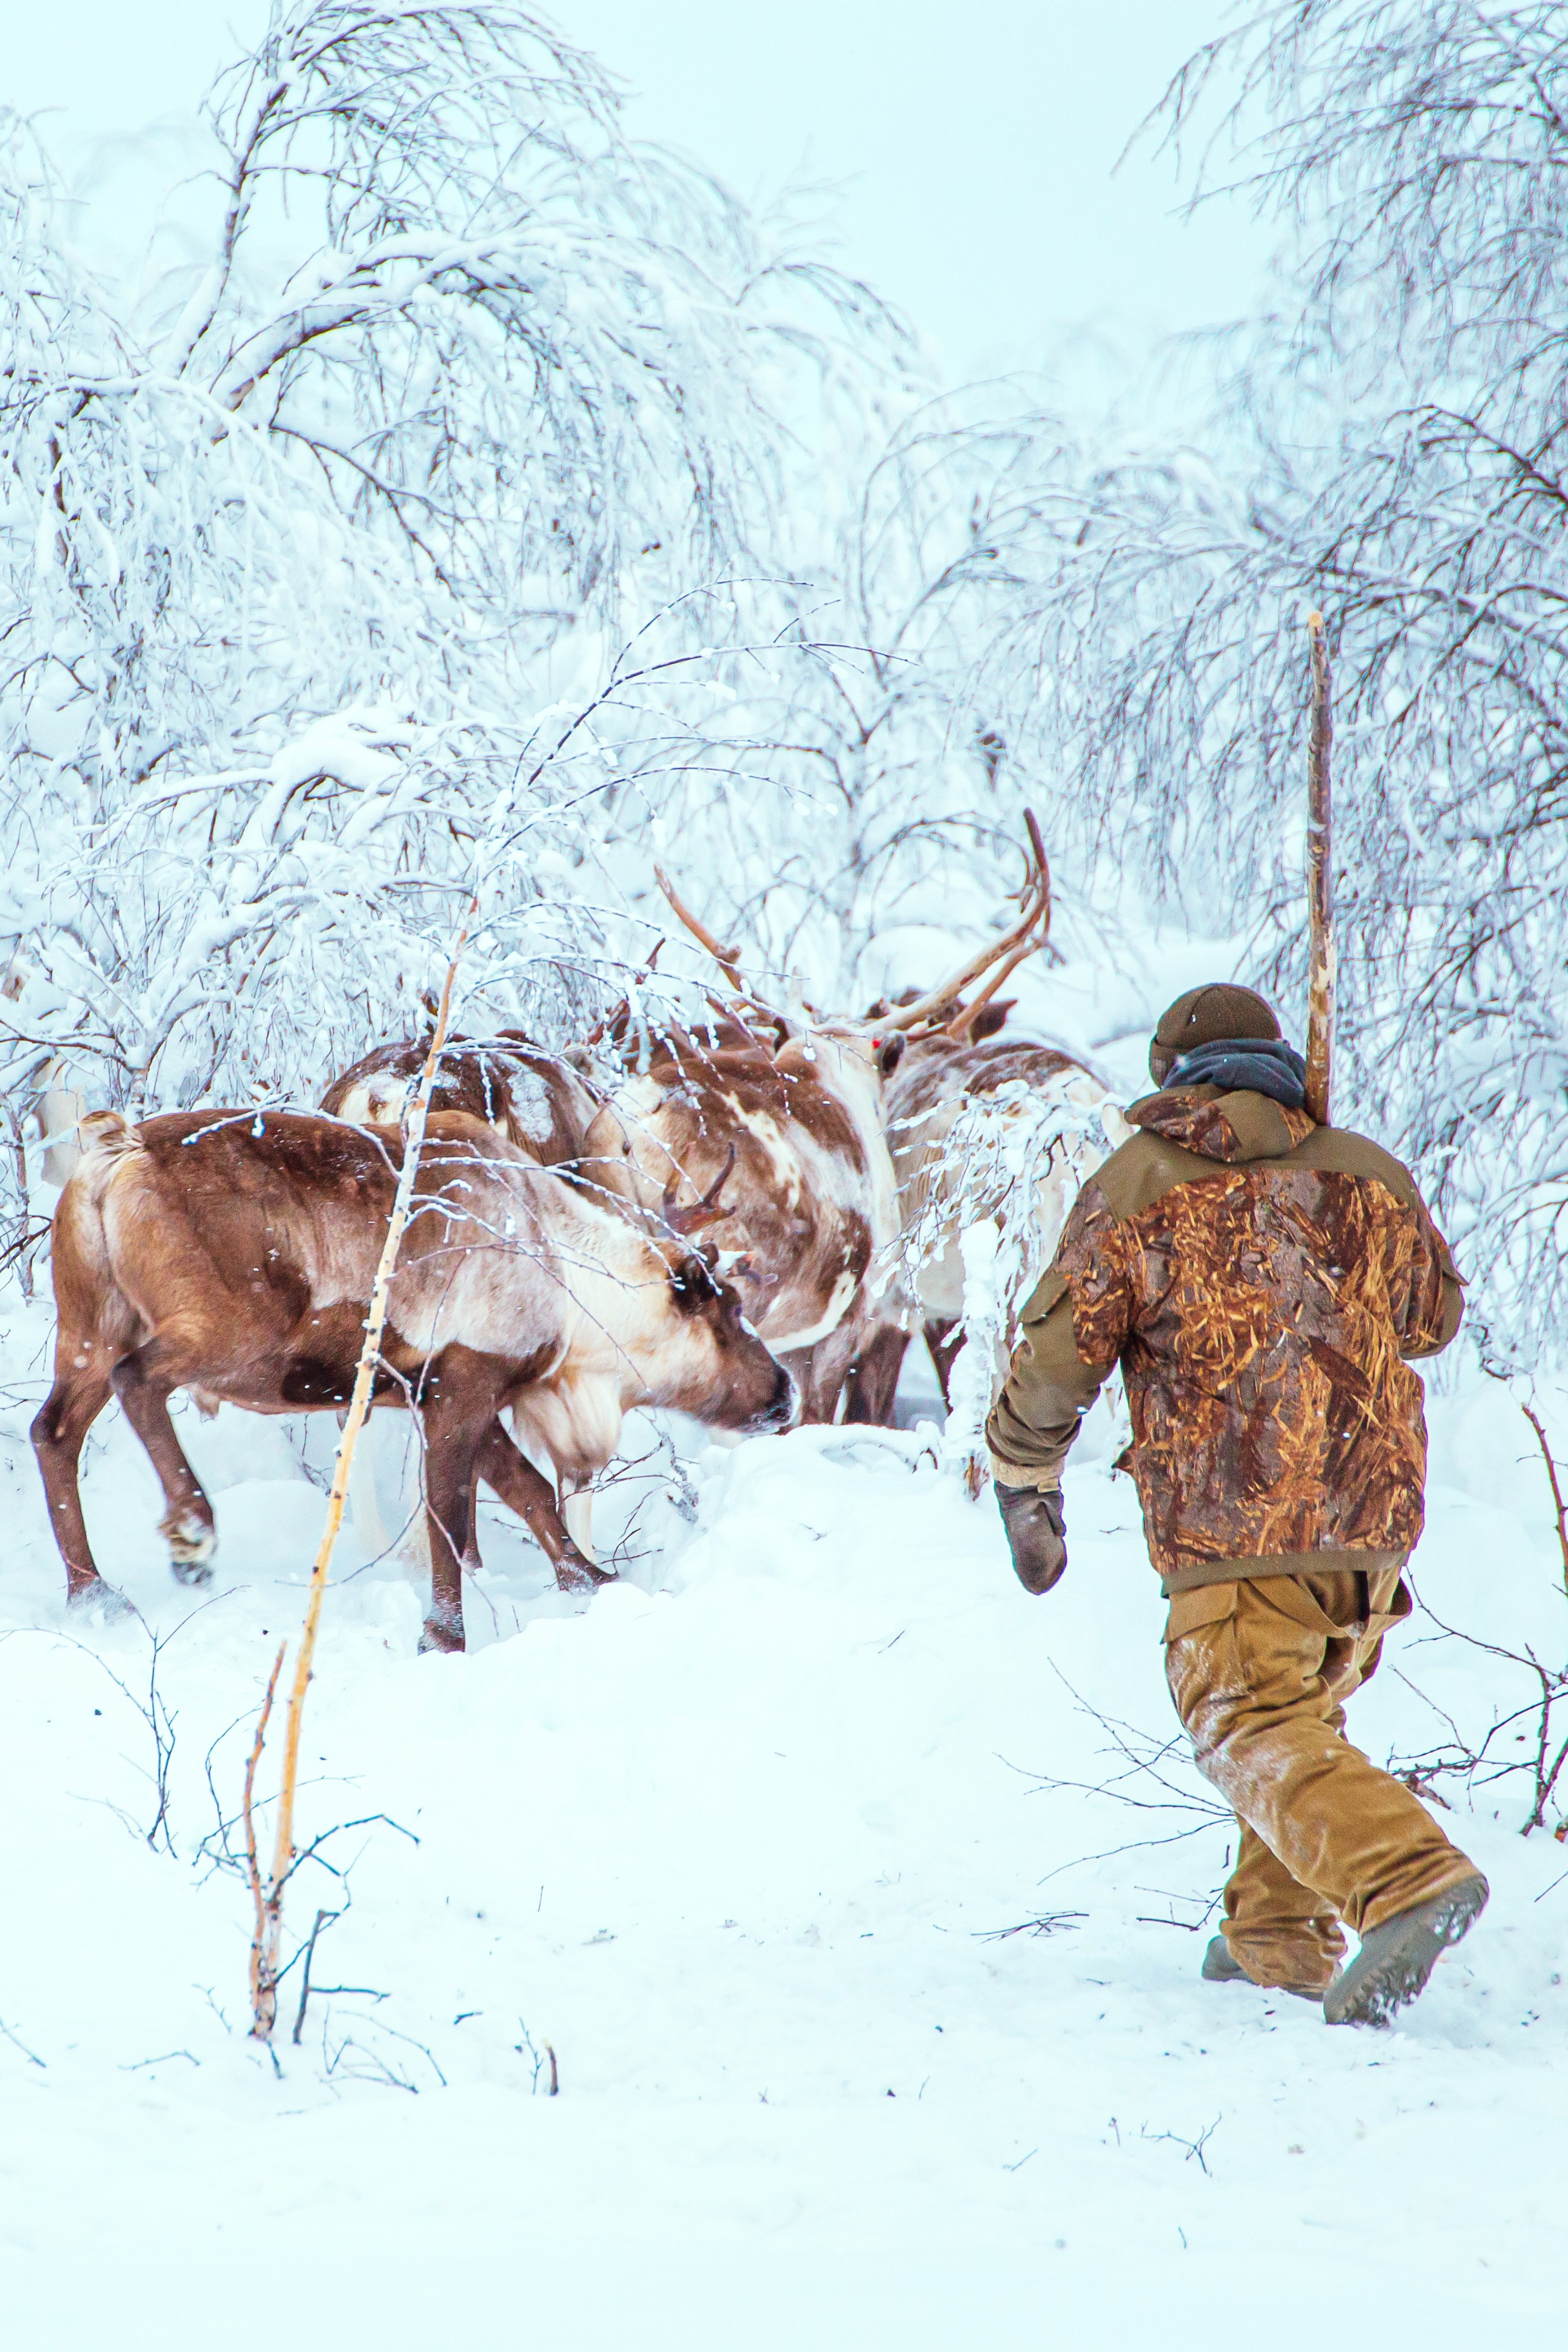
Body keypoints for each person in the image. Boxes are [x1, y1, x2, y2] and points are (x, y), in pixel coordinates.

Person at [985, 982, 1487, 2026]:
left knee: (1243, 1713)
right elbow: (1432, 1319)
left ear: (1171, 1075)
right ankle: (1278, 1938)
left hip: (1238, 1527)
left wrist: (1021, 1474)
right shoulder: (1367, 1175)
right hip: (1371, 1527)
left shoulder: (1141, 1181)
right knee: (1292, 1716)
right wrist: (1341, 1196)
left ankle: (1406, 1878)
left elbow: (1055, 1358)